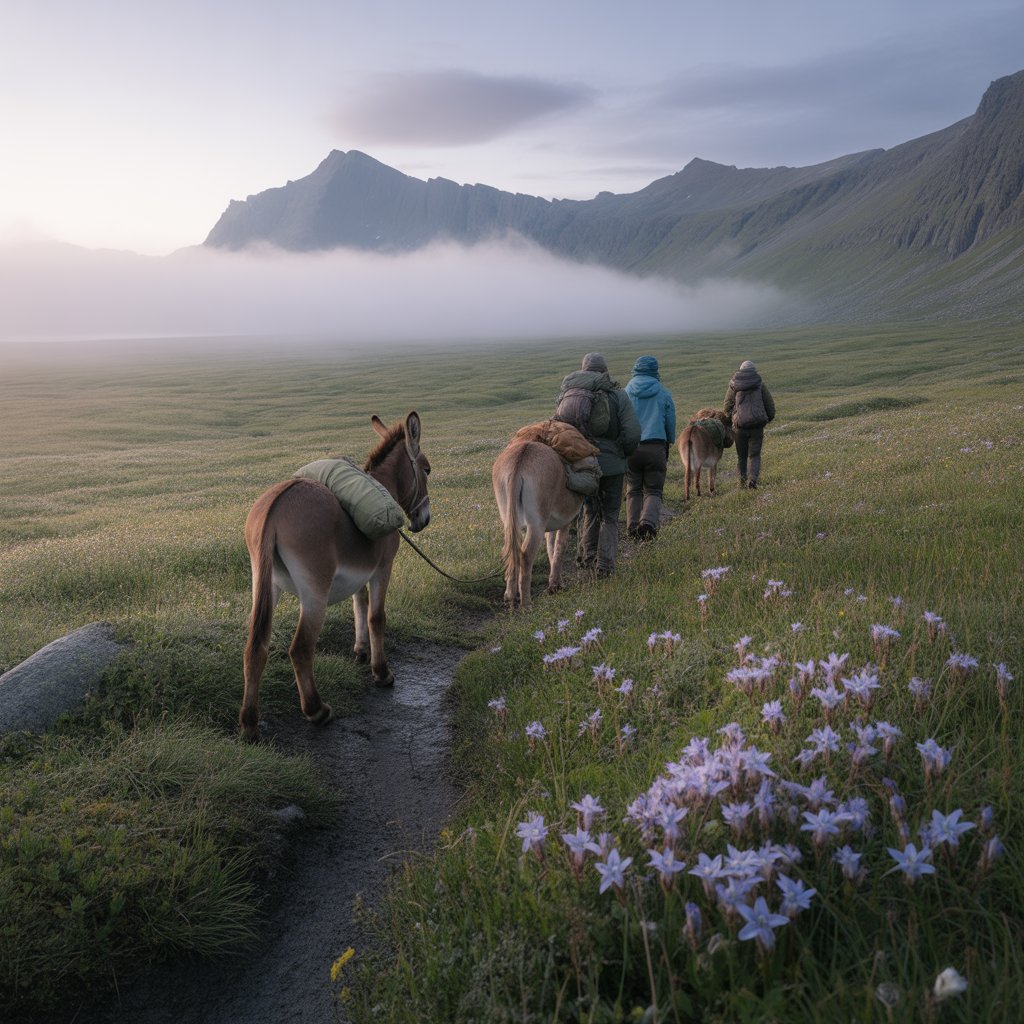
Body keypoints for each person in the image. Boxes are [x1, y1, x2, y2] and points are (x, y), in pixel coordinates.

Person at [557, 352, 640, 577]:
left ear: (583, 370)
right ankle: (605, 566)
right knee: (610, 516)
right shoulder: (617, 394)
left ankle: (587, 559)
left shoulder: (570, 393)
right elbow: (632, 433)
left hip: (583, 463)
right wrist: (621, 453)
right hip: (613, 465)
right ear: (604, 370)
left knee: (589, 510)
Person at [624, 355, 676, 541]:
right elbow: (670, 422)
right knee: (653, 490)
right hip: (656, 447)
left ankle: (632, 526)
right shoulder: (663, 393)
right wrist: (670, 440)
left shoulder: (626, 392)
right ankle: (648, 524)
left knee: (633, 489)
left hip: (631, 448)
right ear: (655, 370)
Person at [723, 359, 775, 489]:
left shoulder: (734, 385)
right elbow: (770, 405)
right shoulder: (759, 384)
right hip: (757, 426)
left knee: (742, 456)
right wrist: (768, 419)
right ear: (754, 370)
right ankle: (753, 481)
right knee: (755, 455)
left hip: (739, 427)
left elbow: (727, 406)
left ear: (741, 370)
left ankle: (741, 482)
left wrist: (733, 419)